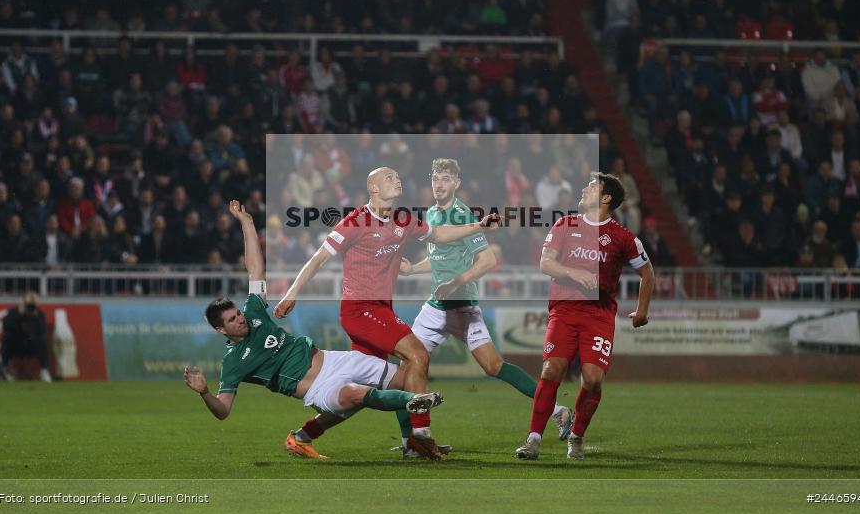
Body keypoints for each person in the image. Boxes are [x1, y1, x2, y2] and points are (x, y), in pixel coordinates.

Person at [184, 201, 444, 459]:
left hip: (332, 359)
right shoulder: (233, 363)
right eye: (232, 320)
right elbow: (223, 410)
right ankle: (413, 407)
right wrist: (206, 392)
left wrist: (247, 223)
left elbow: (255, 270)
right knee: (358, 396)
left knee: (407, 375)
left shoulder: (253, 312)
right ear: (221, 330)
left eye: (237, 313)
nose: (240, 319)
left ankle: (413, 442)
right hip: (317, 388)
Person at [275, 166, 500, 459]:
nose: (397, 180)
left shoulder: (403, 220)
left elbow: (441, 235)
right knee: (418, 355)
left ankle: (302, 436)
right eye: (389, 177)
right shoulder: (354, 223)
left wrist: (478, 225)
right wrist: (292, 293)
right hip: (359, 310)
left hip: (380, 309)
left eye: (397, 176)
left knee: (370, 390)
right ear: (374, 189)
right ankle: (420, 437)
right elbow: (318, 259)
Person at [398, 159, 574, 456]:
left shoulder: (462, 214)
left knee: (493, 366)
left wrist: (456, 283)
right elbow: (440, 256)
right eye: (435, 178)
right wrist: (413, 270)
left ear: (456, 183)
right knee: (407, 368)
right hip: (435, 306)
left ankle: (558, 410)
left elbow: (488, 260)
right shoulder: (431, 213)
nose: (438, 184)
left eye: (445, 179)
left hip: (463, 304)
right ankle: (413, 441)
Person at [515, 172, 654, 460]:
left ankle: (576, 436)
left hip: (598, 315)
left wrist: (642, 310)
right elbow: (546, 263)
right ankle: (533, 440)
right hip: (564, 310)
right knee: (551, 369)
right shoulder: (565, 224)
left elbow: (647, 272)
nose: (584, 189)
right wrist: (573, 272)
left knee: (592, 380)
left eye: (592, 187)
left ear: (605, 198)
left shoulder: (622, 237)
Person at [1, 292, 51, 382]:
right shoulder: (14, 312)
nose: (30, 306)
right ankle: (5, 370)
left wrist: (34, 318)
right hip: (16, 344)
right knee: (7, 339)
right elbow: (7, 327)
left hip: (31, 345)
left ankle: (44, 370)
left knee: (41, 341)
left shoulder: (39, 314)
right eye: (28, 303)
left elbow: (42, 330)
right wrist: (20, 315)